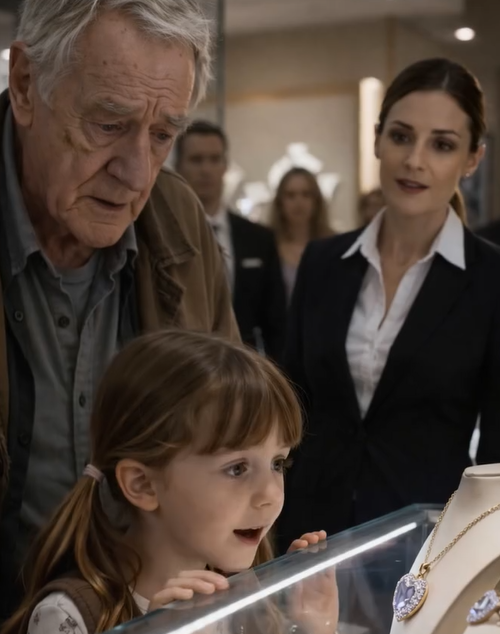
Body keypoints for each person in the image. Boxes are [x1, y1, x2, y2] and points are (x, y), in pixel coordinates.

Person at [0, 2, 240, 634]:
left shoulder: (179, 223)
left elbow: (226, 438)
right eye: (110, 124)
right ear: (25, 84)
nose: (137, 171)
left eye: (163, 134)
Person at [0, 329, 340, 634]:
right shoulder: (70, 620)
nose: (270, 495)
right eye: (237, 468)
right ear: (142, 484)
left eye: (278, 463)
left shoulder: (238, 592)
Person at [278, 58, 500, 551]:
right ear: (377, 139)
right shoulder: (323, 262)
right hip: (309, 535)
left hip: (428, 545)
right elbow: (291, 408)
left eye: (442, 145)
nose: (414, 160)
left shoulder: (490, 279)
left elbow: (496, 453)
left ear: (471, 159)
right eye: (401, 136)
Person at [176, 120, 288, 360]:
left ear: (225, 166)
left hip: (241, 364)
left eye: (214, 159)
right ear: (179, 166)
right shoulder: (164, 233)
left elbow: (275, 322)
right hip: (179, 360)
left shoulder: (259, 239)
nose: (206, 169)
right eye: (196, 160)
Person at [270, 167, 334, 303]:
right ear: (280, 202)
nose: (298, 202)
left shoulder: (334, 246)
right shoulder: (268, 247)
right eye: (290, 195)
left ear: (316, 201)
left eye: (306, 195)